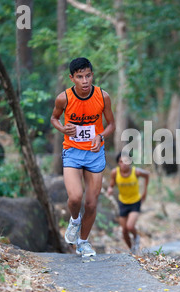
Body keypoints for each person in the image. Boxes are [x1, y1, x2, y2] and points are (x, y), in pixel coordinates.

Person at [50, 57, 115, 257]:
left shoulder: (103, 97)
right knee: (75, 197)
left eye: (88, 76)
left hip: (95, 153)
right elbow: (54, 118)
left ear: (92, 75)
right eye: (80, 77)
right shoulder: (64, 98)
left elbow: (111, 124)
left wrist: (101, 136)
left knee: (92, 203)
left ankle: (83, 242)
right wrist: (63, 128)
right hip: (72, 151)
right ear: (72, 78)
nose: (85, 81)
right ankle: (74, 220)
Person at [107, 153, 150, 254]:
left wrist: (145, 191)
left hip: (135, 202)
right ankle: (132, 250)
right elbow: (112, 184)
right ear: (118, 163)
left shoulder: (136, 172)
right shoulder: (115, 172)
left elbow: (147, 175)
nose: (124, 164)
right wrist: (110, 188)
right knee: (124, 231)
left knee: (130, 226)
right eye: (121, 162)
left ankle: (136, 237)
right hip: (123, 202)